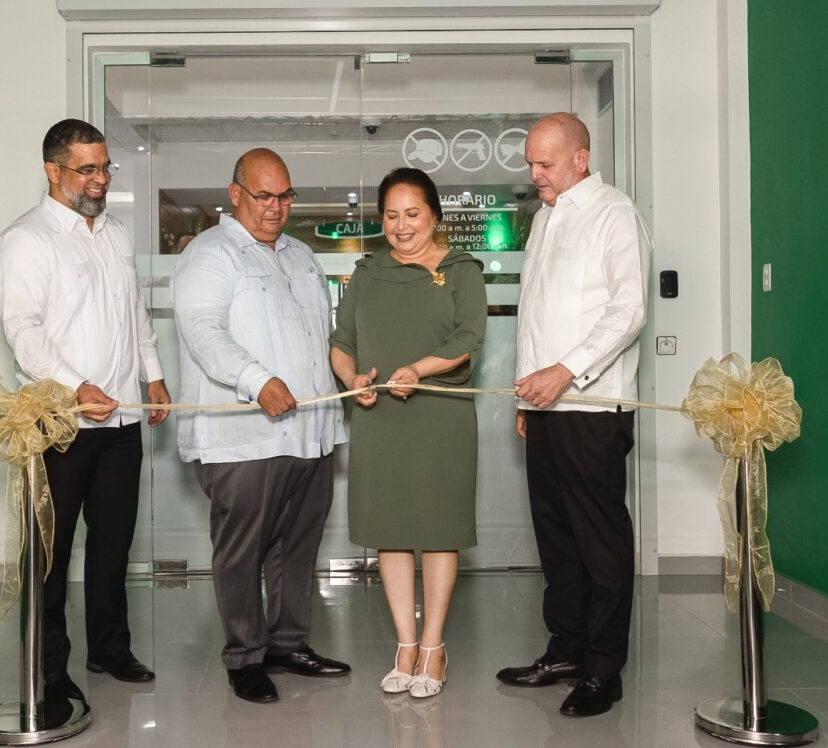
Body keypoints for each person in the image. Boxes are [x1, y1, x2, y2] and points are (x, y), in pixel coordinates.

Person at [0, 119, 171, 703]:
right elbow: (24, 332)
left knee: (113, 542)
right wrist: (76, 387)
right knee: (50, 552)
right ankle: (49, 671)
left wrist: (155, 376)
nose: (99, 179)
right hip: (58, 423)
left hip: (120, 422)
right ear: (53, 170)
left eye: (104, 167)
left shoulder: (116, 234)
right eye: (86, 169)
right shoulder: (26, 239)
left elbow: (136, 313)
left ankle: (110, 650)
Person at [170, 148, 350, 705]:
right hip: (243, 435)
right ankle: (245, 656)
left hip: (311, 432)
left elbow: (321, 333)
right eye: (263, 196)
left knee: (297, 546)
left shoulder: (301, 255)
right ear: (235, 194)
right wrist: (256, 379)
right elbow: (202, 331)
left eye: (284, 196)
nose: (275, 208)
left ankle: (288, 643)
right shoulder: (210, 254)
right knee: (242, 551)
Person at [496, 113, 652, 717]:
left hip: (590, 404)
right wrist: (526, 397)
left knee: (601, 540)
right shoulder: (544, 218)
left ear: (581, 159)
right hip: (544, 409)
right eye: (531, 163)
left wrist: (564, 373)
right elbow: (533, 313)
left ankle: (604, 668)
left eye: (546, 163)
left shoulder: (616, 214)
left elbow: (629, 310)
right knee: (556, 536)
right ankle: (566, 649)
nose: (535, 174)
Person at [330, 167, 487, 699]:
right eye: (392, 216)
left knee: (439, 529)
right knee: (390, 529)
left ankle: (435, 646)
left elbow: (469, 337)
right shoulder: (367, 271)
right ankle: (405, 645)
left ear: (435, 216)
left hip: (439, 416)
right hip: (379, 416)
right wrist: (352, 378)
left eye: (413, 214)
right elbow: (341, 339)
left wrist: (419, 369)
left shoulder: (462, 270)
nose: (402, 226)